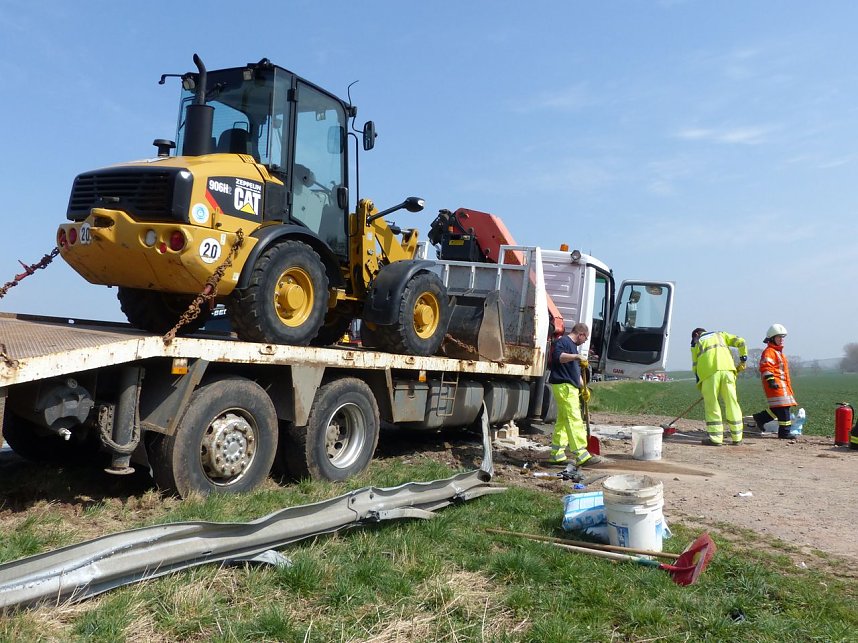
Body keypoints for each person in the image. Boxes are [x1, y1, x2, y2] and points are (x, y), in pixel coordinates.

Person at [547, 322, 604, 466]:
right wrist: (576, 357)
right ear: (581, 334)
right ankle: (582, 454)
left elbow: (574, 372)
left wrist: (583, 388)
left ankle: (557, 454)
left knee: (563, 421)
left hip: (570, 387)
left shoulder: (573, 347)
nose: (584, 341)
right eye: (585, 339)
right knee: (574, 419)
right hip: (564, 386)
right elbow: (558, 357)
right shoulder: (563, 342)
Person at [690, 327, 748, 446]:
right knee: (732, 403)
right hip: (728, 371)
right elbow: (741, 341)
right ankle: (737, 437)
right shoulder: (720, 335)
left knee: (712, 404)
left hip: (709, 374)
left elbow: (695, 366)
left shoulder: (696, 343)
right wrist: (743, 358)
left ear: (696, 334)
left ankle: (716, 438)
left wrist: (700, 384)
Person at [751, 324, 796, 439]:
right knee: (784, 408)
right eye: (779, 337)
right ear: (772, 338)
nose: (782, 340)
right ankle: (784, 433)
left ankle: (760, 418)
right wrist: (771, 381)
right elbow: (766, 367)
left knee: (777, 408)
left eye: (782, 337)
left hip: (781, 384)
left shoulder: (777, 352)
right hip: (776, 384)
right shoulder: (769, 352)